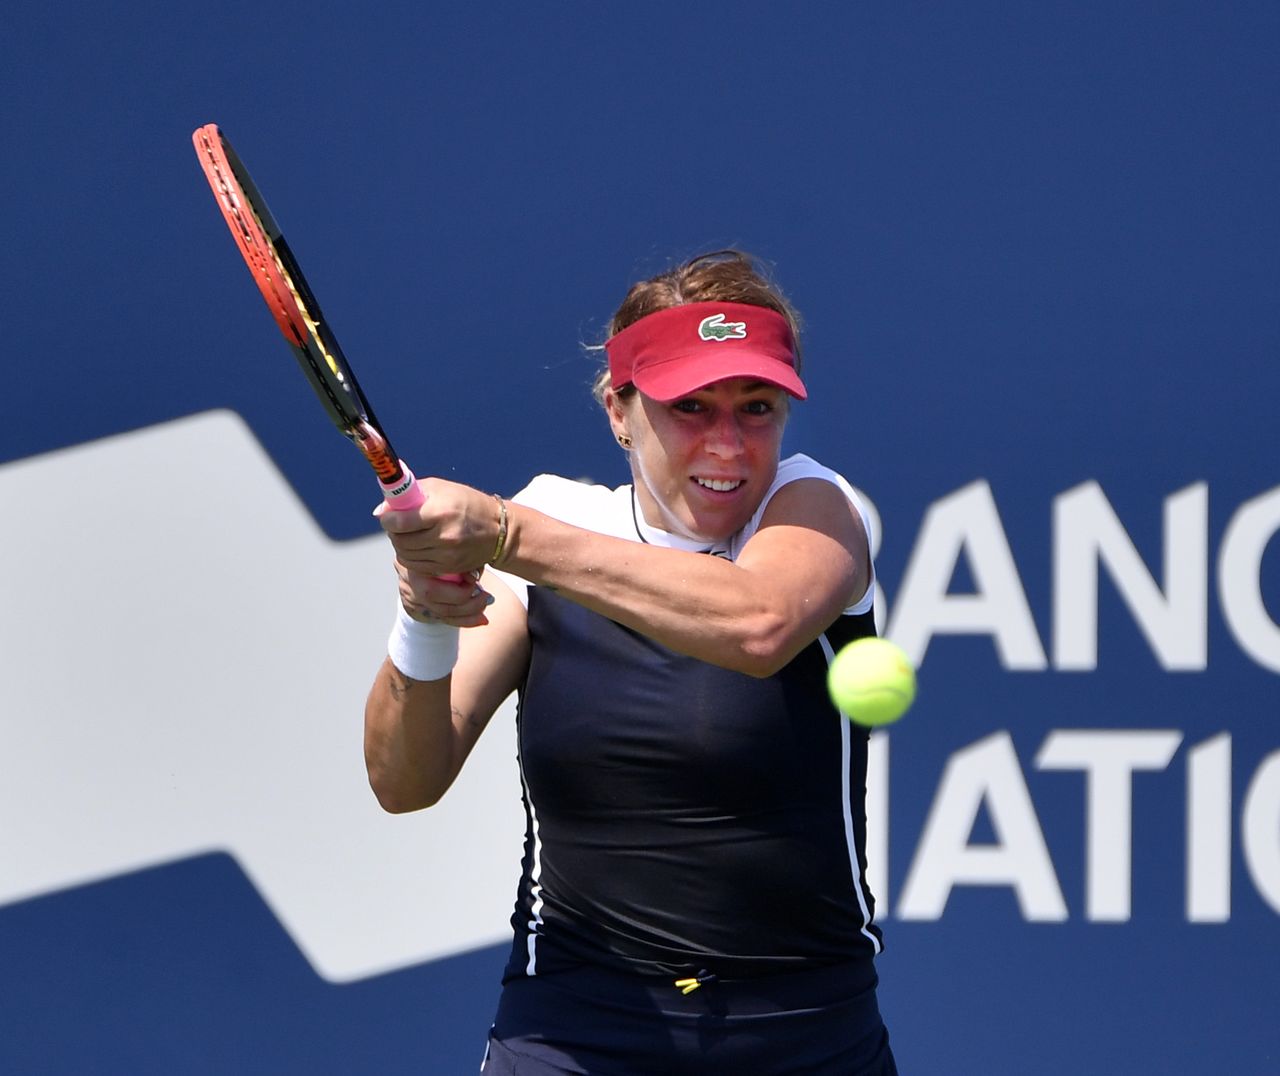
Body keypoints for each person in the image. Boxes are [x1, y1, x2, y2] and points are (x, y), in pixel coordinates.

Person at [365, 250, 897, 1075]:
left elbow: (757, 626)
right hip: (573, 1029)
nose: (728, 443)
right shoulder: (552, 531)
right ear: (618, 407)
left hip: (805, 1031)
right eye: (689, 406)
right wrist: (425, 620)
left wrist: (507, 535)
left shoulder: (819, 508)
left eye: (756, 407)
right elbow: (405, 781)